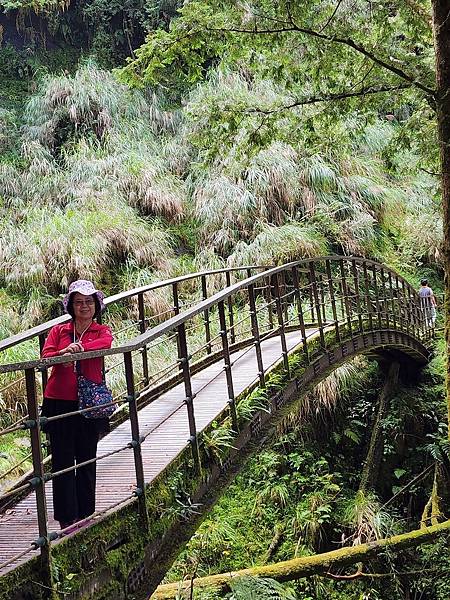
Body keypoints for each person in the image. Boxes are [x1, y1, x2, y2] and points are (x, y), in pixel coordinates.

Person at [41, 280, 113, 531]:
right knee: (61, 460)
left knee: (85, 457)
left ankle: (85, 514)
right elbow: (46, 357)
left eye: (89, 302)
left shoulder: (101, 331)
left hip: (88, 404)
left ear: (96, 305)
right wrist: (63, 354)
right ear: (71, 306)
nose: (84, 306)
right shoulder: (59, 332)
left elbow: (104, 345)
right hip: (58, 401)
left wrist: (78, 348)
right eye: (79, 302)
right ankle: (66, 518)